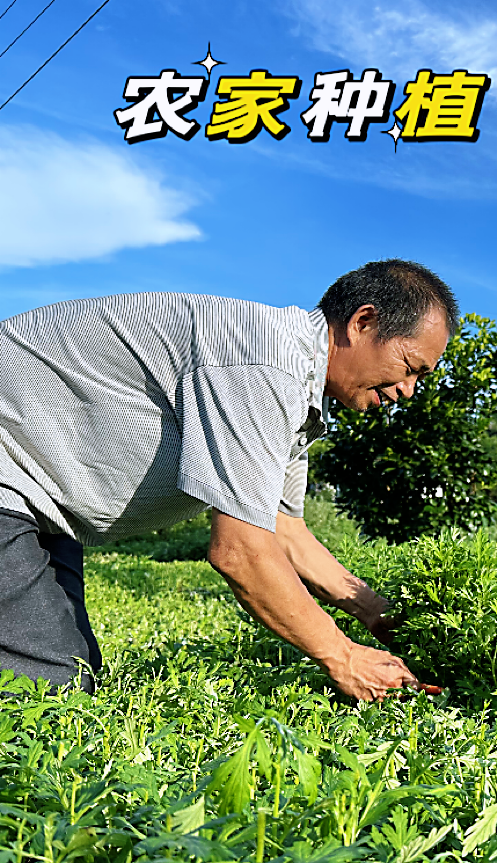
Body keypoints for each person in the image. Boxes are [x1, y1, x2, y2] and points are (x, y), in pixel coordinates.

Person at [0, 258, 456, 701]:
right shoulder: (265, 366)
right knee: (46, 686)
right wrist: (342, 657)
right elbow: (240, 551)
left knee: (72, 672)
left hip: (40, 502)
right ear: (363, 322)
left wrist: (377, 614)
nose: (408, 391)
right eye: (410, 366)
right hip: (10, 473)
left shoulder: (301, 394)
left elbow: (284, 531)